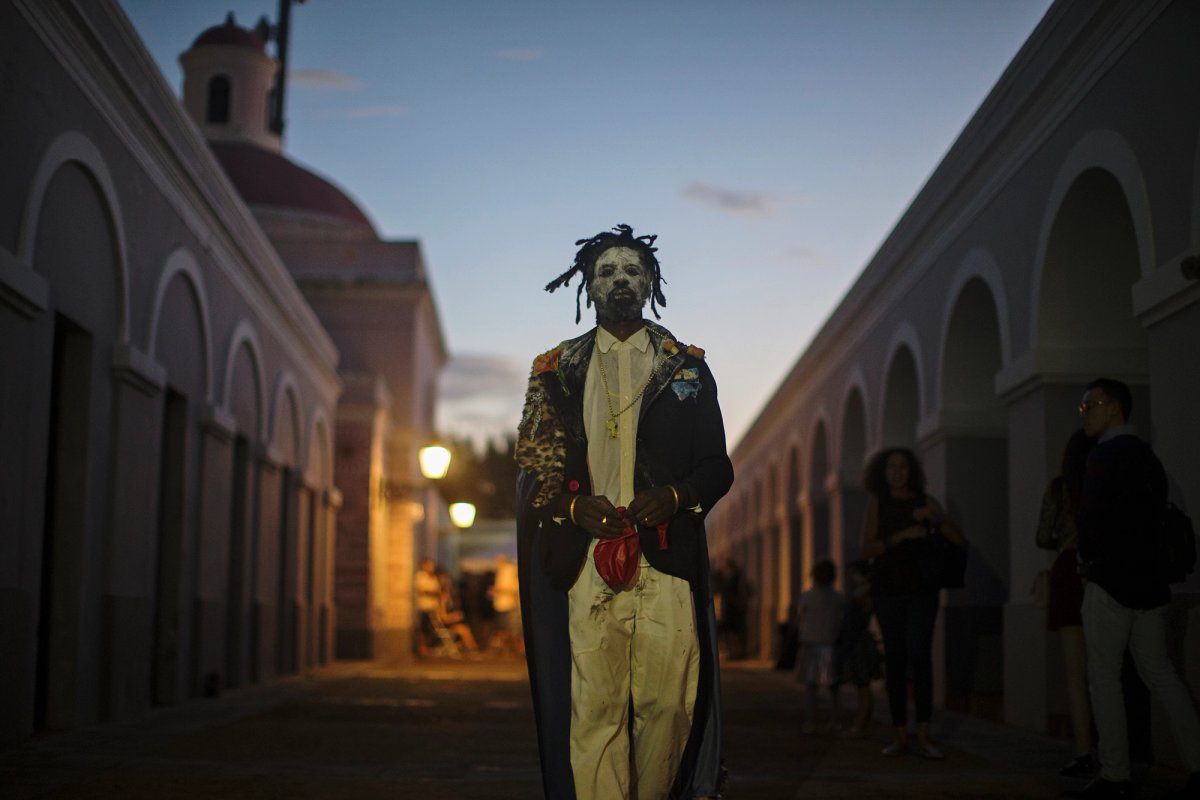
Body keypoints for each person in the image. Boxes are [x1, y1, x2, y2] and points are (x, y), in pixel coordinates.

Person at [515, 224, 734, 800]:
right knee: (596, 710)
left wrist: (677, 497)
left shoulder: (685, 369)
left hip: (666, 559)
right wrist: (571, 506)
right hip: (587, 564)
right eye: (607, 271)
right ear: (588, 285)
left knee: (668, 706)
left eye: (632, 271)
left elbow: (717, 467)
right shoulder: (554, 369)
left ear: (650, 282)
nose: (620, 281)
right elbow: (534, 468)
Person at [1067, 378, 1200, 799]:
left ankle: (1116, 774)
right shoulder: (1148, 457)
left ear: (1114, 408)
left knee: (1104, 677)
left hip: (1110, 582)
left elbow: (1090, 523)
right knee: (1161, 672)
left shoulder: (1103, 456)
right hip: (1151, 584)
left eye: (1091, 405)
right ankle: (1197, 762)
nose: (1084, 412)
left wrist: (1088, 565)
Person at [861, 447, 965, 760]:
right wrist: (903, 535)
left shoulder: (926, 502)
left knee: (920, 657)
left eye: (903, 466)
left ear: (911, 471)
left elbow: (958, 539)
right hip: (887, 591)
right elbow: (867, 549)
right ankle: (899, 735)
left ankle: (923, 733)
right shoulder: (878, 503)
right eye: (891, 466)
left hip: (922, 590)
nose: (897, 472)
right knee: (895, 659)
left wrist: (937, 518)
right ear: (883, 471)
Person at [1036, 428, 1098, 777]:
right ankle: (1115, 747)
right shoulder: (1106, 484)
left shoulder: (1060, 488)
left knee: (1075, 671)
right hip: (1103, 569)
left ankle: (1083, 749)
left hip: (1067, 570)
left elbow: (1043, 535)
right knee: (1107, 667)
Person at [795, 559, 844, 733]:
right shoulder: (838, 597)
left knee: (811, 686)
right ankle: (835, 719)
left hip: (811, 643)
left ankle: (811, 720)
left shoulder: (807, 595)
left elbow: (800, 618)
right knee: (833, 687)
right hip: (830, 644)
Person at [837, 558, 882, 738]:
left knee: (862, 685)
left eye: (854, 573)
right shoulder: (862, 591)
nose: (851, 577)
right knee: (862, 686)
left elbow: (858, 616)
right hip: (857, 640)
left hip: (858, 642)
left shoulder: (865, 592)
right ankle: (863, 723)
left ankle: (859, 725)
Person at [490, 554, 523, 654]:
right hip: (500, 605)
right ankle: (507, 648)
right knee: (502, 627)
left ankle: (514, 648)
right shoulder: (501, 571)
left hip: (508, 605)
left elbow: (512, 589)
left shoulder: (509, 571)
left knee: (509, 627)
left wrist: (499, 590)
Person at [414, 557, 441, 657]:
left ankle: (429, 647)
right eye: (429, 565)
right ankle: (422, 647)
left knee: (430, 628)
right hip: (423, 606)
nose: (431, 567)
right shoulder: (420, 576)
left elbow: (438, 591)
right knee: (422, 628)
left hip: (432, 607)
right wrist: (431, 591)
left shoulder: (433, 578)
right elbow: (422, 590)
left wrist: (433, 592)